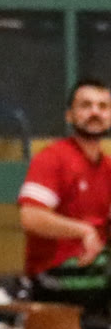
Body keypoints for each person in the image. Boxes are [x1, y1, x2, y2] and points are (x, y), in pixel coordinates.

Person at [19, 79, 111, 274]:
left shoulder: (108, 167)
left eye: (103, 106)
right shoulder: (52, 158)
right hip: (54, 277)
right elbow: (31, 216)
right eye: (86, 105)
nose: (95, 112)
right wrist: (83, 231)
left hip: (97, 275)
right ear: (69, 115)